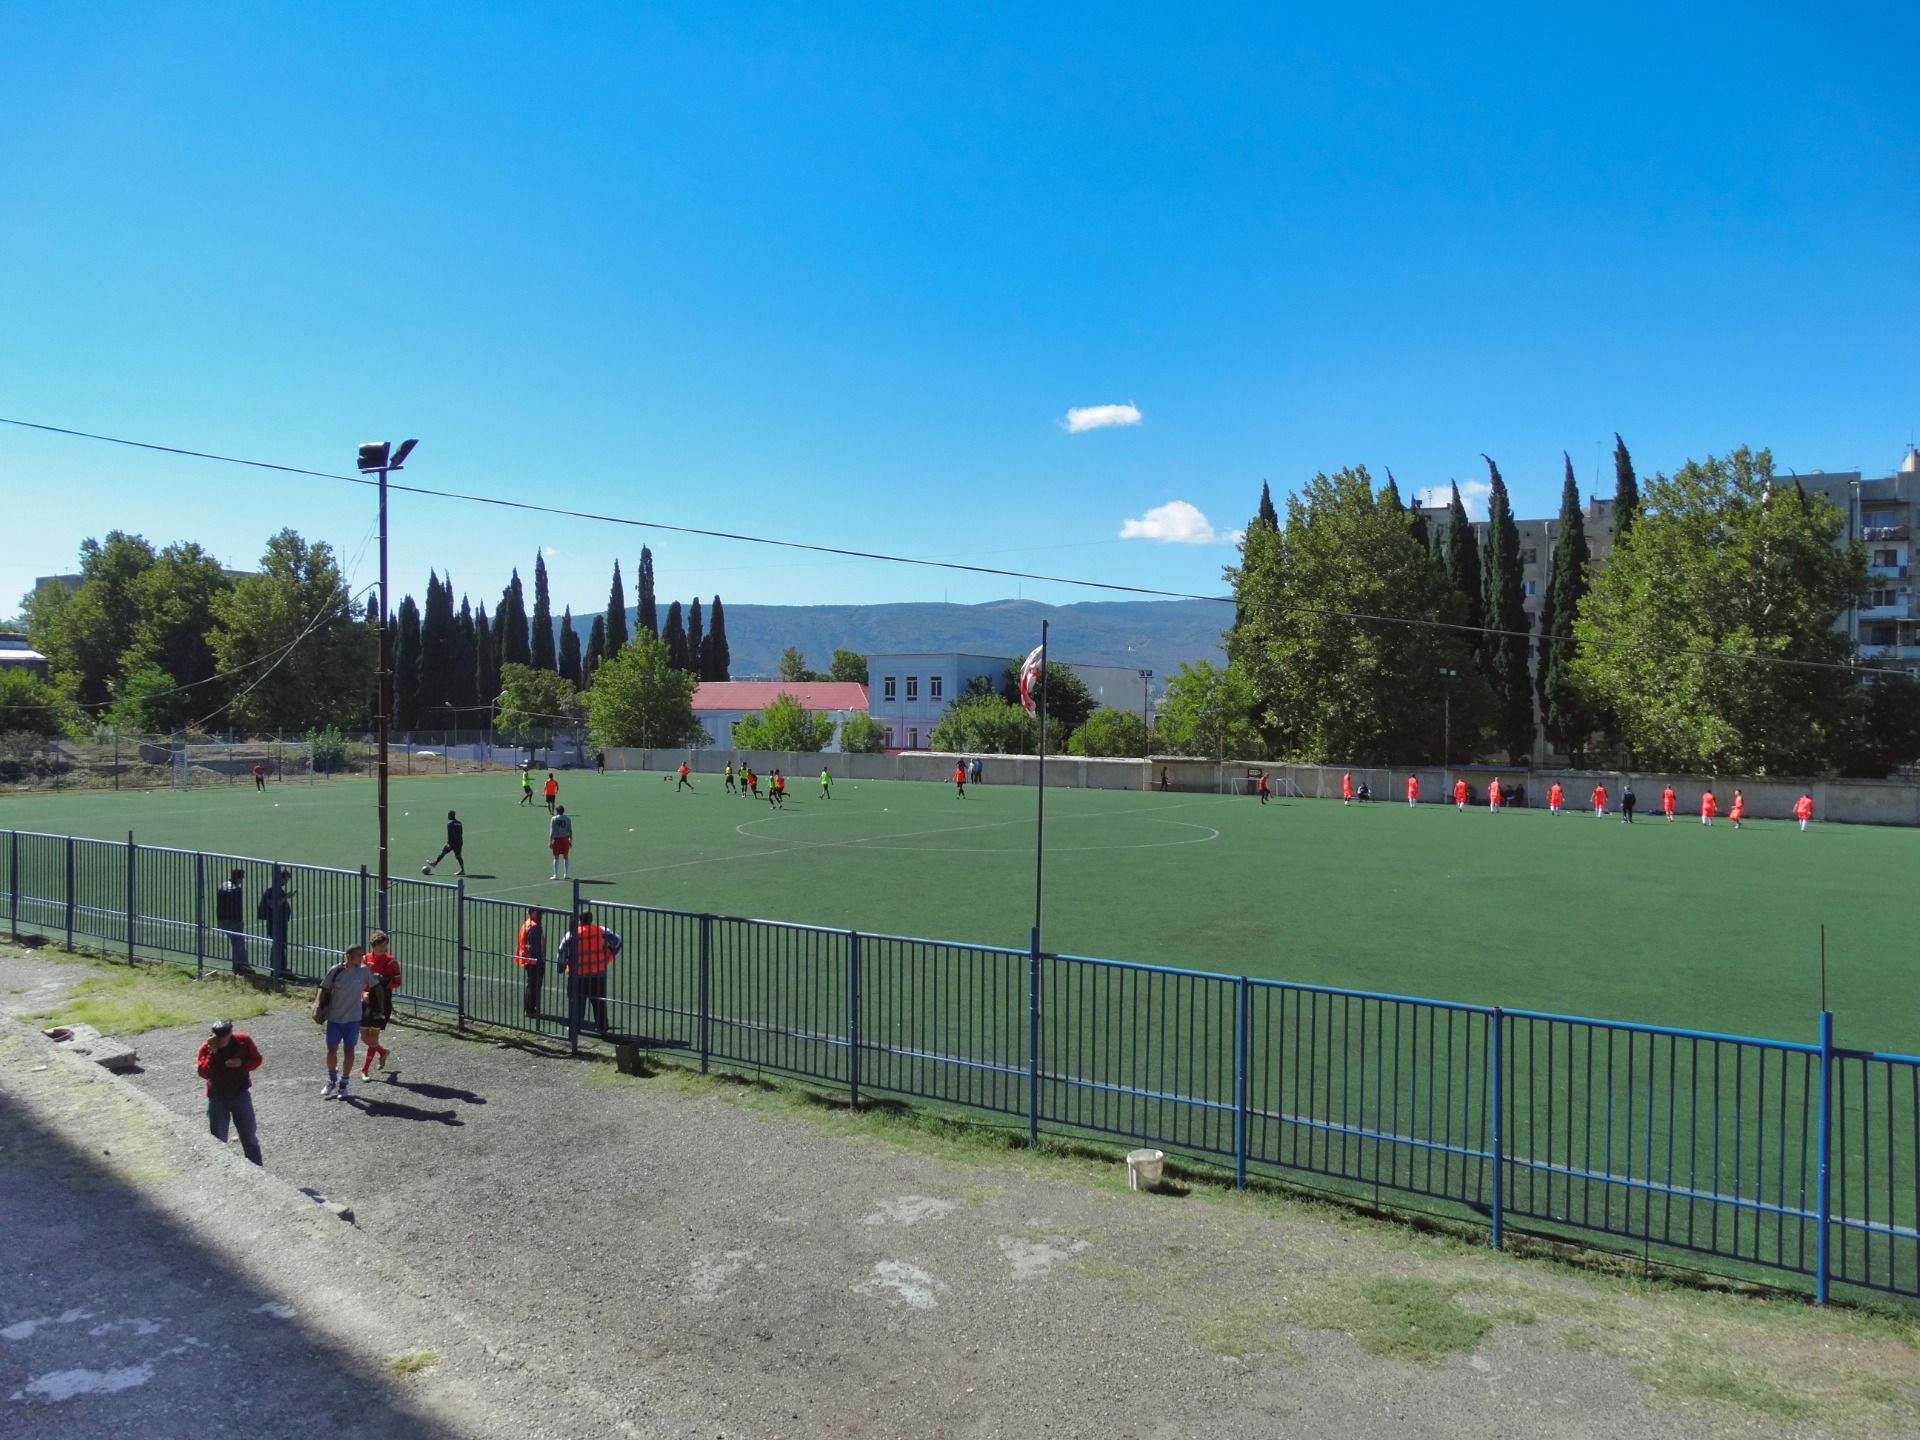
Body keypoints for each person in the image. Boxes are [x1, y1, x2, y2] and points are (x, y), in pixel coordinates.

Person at [198, 1019, 264, 1165]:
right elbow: (203, 1073)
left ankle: (257, 1170)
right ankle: (223, 1169)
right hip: (217, 1098)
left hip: (240, 1094)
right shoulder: (206, 1047)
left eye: (223, 1036)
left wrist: (242, 1063)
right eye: (217, 1036)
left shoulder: (243, 1042)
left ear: (230, 1033)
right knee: (218, 1140)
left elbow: (257, 1059)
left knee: (249, 1137)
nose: (220, 1040)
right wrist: (211, 1054)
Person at [318, 943, 374, 1101]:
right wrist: (317, 1006)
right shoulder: (336, 970)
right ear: (349, 956)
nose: (362, 957)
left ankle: (344, 1083)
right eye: (358, 955)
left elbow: (375, 985)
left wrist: (372, 1000)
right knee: (331, 1050)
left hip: (353, 1019)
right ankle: (331, 1080)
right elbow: (323, 988)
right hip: (335, 1018)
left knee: (349, 1050)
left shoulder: (363, 970)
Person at [558, 909, 622, 1034]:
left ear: (579, 920)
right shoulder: (601, 931)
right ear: (591, 919)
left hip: (578, 974)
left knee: (576, 1001)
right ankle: (602, 1026)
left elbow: (562, 951)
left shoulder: (572, 934)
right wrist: (609, 955)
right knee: (599, 1001)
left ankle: (575, 1026)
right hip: (598, 973)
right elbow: (618, 941)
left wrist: (560, 967)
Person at [358, 930, 400, 1081]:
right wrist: (363, 993)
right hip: (365, 1001)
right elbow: (359, 979)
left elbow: (397, 982)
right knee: (364, 1036)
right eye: (380, 945)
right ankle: (382, 1052)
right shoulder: (364, 960)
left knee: (373, 1036)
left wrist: (383, 984)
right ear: (373, 945)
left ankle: (364, 1070)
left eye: (385, 945)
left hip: (382, 1004)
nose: (383, 948)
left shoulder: (392, 962)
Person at [257, 869, 295, 976]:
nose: (286, 883)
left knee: (281, 945)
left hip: (280, 923)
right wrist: (285, 897)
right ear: (280, 878)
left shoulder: (277, 890)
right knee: (277, 945)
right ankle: (276, 969)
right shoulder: (272, 890)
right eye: (285, 880)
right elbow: (272, 905)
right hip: (275, 923)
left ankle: (281, 968)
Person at [215, 867, 252, 972]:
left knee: (236, 942)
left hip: (222, 919)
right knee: (238, 942)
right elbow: (236, 907)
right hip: (233, 920)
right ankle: (241, 966)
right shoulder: (235, 889)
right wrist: (239, 920)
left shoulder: (223, 885)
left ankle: (240, 965)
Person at [514, 907, 546, 1020]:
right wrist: (539, 959)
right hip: (533, 960)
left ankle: (529, 1009)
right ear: (533, 913)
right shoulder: (534, 926)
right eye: (539, 913)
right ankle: (530, 1010)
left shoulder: (528, 923)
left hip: (528, 959)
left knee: (531, 984)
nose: (542, 915)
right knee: (534, 985)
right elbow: (534, 946)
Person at [424, 810, 465, 877]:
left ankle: (435, 863)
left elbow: (450, 834)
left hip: (452, 842)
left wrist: (449, 843)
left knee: (443, 852)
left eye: (448, 815)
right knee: (458, 856)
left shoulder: (450, 823)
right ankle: (462, 870)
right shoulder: (459, 823)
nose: (447, 816)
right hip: (459, 841)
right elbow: (461, 833)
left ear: (450, 815)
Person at [549, 805, 574, 880]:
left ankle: (555, 875)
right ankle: (566, 874)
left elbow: (552, 831)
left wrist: (550, 841)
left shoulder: (553, 818)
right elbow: (570, 831)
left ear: (557, 811)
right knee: (566, 856)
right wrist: (570, 840)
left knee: (556, 857)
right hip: (565, 839)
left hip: (556, 840)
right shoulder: (568, 818)